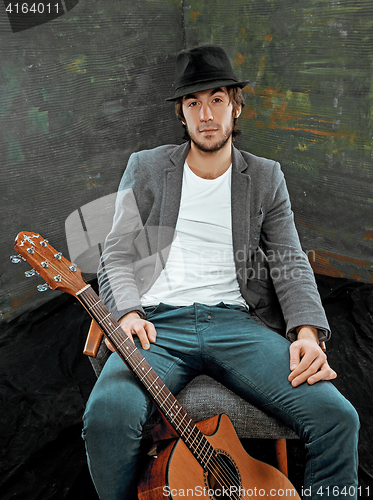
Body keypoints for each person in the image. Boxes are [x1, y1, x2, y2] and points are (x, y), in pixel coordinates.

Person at [82, 44, 359, 500]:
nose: (205, 113)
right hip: (158, 325)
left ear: (235, 105)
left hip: (237, 325)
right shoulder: (147, 168)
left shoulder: (266, 177)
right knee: (107, 415)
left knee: (338, 419)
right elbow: (116, 252)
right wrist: (127, 312)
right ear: (181, 113)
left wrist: (307, 334)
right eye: (193, 102)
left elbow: (288, 260)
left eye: (216, 99)